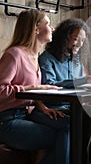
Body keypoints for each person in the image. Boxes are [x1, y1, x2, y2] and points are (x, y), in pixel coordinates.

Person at [30, 18, 91, 164]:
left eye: (83, 40)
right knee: (86, 118)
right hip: (51, 108)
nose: (79, 43)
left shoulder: (76, 61)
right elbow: (50, 85)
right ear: (64, 37)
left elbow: (80, 87)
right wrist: (85, 80)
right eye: (75, 38)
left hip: (72, 108)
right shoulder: (47, 59)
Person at [0, 9, 68, 164]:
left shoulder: (34, 56)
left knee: (69, 125)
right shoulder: (14, 54)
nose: (52, 28)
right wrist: (31, 88)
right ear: (36, 29)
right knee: (63, 135)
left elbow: (31, 92)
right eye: (48, 24)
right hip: (7, 120)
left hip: (26, 115)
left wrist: (43, 108)